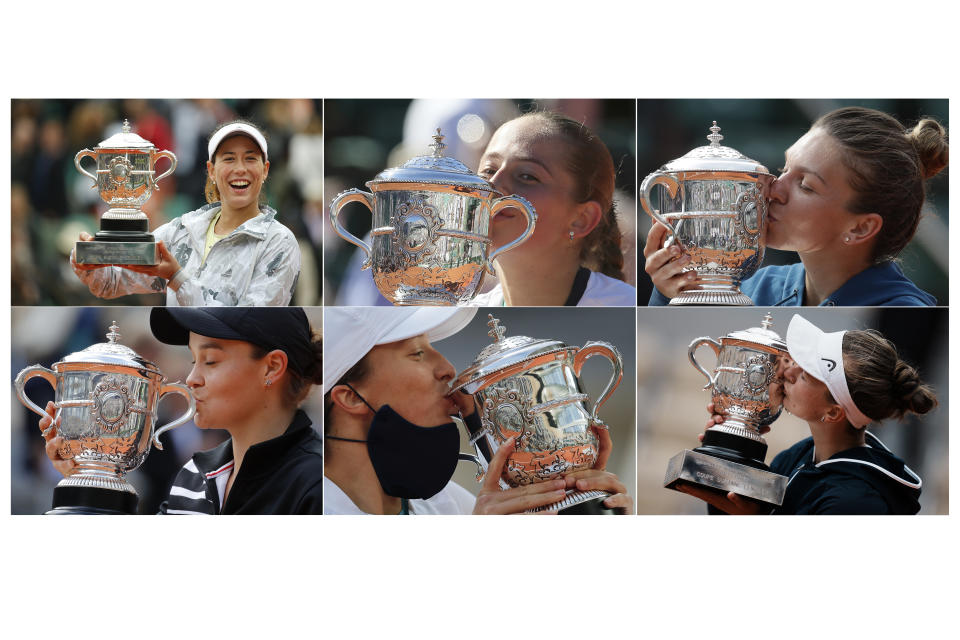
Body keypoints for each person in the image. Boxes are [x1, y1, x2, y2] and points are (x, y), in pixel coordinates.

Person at [323, 307, 632, 514]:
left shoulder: (448, 504)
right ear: (350, 398)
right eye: (417, 353)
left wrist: (578, 503)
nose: (447, 368)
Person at [646, 106, 948, 306]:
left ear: (860, 227)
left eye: (805, 185)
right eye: (785, 168)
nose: (773, 189)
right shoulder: (753, 286)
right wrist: (672, 294)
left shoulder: (904, 309)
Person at [37, 307, 324, 514]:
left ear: (272, 367)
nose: (191, 379)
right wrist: (89, 480)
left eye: (210, 361)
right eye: (193, 360)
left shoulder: (318, 483)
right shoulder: (195, 475)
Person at [678, 314, 936, 515]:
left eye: (804, 375)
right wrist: (732, 446)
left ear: (833, 412)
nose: (788, 370)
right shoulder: (799, 455)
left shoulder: (854, 503)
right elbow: (739, 509)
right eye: (799, 360)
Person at [71, 120, 301, 306]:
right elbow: (111, 283)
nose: (240, 168)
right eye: (229, 158)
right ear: (211, 170)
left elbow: (248, 324)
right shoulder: (182, 230)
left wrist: (177, 279)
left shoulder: (279, 242)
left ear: (265, 170)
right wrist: (88, 259)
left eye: (250, 158)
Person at [470, 111, 636, 306]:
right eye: (489, 170)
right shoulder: (458, 319)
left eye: (527, 176)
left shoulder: (627, 309)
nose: (493, 185)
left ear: (582, 219)